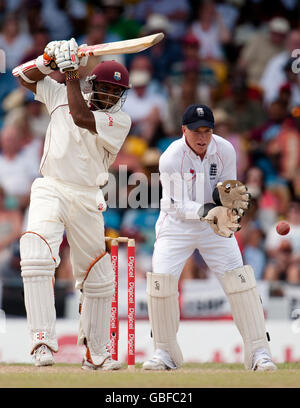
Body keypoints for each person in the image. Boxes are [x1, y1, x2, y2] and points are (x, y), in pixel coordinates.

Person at [13, 38, 131, 369]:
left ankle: (97, 353)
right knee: (36, 254)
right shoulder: (63, 93)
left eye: (116, 93)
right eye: (105, 88)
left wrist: (69, 73)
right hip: (51, 186)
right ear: (94, 84)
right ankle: (41, 343)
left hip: (87, 195)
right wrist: (48, 59)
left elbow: (79, 115)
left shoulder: (119, 121)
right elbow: (21, 75)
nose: (109, 96)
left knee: (98, 276)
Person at [143, 104, 277, 372]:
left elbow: (226, 190)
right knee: (162, 283)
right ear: (184, 130)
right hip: (176, 226)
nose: (202, 137)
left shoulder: (225, 149)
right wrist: (210, 211)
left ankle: (258, 352)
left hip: (214, 226)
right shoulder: (170, 157)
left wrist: (230, 210)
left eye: (207, 131)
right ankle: (165, 352)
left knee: (240, 280)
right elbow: (179, 205)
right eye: (196, 131)